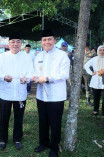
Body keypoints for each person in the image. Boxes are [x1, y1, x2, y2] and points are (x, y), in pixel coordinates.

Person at [32, 29, 70, 157]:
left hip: (56, 96)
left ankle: (54, 147)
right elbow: (35, 72)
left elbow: (64, 74)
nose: (46, 42)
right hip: (41, 95)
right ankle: (43, 143)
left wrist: (48, 79)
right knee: (42, 121)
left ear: (54, 40)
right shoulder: (38, 56)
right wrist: (33, 78)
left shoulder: (62, 55)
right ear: (41, 42)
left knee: (55, 122)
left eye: (49, 39)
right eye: (44, 40)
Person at [0, 33, 34, 150]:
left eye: (18, 41)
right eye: (13, 42)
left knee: (19, 117)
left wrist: (25, 79)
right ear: (9, 43)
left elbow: (30, 72)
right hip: (6, 93)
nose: (15, 44)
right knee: (4, 117)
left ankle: (17, 139)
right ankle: (3, 139)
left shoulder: (26, 57)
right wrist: (4, 76)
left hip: (20, 94)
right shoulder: (2, 56)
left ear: (21, 43)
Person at [84, 45, 104, 116]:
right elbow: (86, 65)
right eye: (100, 50)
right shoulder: (95, 59)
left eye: (103, 50)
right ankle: (96, 110)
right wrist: (91, 73)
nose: (102, 51)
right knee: (96, 97)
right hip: (96, 80)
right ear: (98, 51)